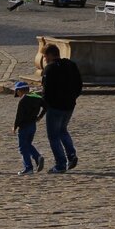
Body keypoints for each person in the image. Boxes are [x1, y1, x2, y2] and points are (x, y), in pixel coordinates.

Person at [40, 43, 82, 173]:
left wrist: (44, 107)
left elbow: (46, 92)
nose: (44, 59)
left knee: (53, 136)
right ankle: (71, 154)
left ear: (51, 55)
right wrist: (73, 98)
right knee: (62, 130)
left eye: (45, 56)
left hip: (55, 107)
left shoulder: (49, 69)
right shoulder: (71, 65)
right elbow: (79, 84)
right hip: (69, 106)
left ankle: (60, 164)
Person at [11, 81, 45, 175]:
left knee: (23, 148)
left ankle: (28, 168)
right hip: (33, 126)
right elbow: (46, 106)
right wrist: (40, 116)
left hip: (24, 127)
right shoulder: (37, 97)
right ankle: (37, 157)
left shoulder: (23, 100)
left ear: (19, 91)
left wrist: (15, 126)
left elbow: (19, 116)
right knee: (28, 144)